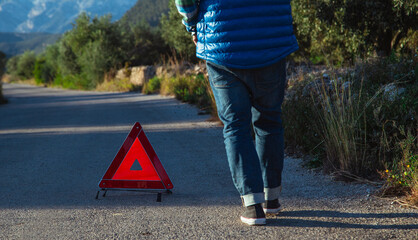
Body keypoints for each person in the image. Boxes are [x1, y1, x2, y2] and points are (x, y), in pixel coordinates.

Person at [176, 0, 299, 226]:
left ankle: (253, 206)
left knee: (236, 125)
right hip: (271, 37)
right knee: (269, 120)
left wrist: (192, 24)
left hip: (223, 39)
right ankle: (271, 198)